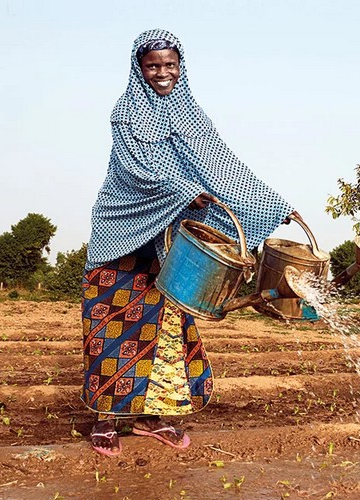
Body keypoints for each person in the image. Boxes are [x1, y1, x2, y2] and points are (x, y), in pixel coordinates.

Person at [81, 29, 299, 457]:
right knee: (111, 325)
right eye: (153, 65)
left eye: (170, 65)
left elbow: (224, 165)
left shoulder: (190, 113)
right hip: (123, 232)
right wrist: (185, 190)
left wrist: (273, 203)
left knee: (167, 326)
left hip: (171, 238)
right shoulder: (126, 112)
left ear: (181, 66)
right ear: (139, 68)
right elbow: (135, 170)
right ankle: (105, 419)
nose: (162, 73)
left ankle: (151, 418)